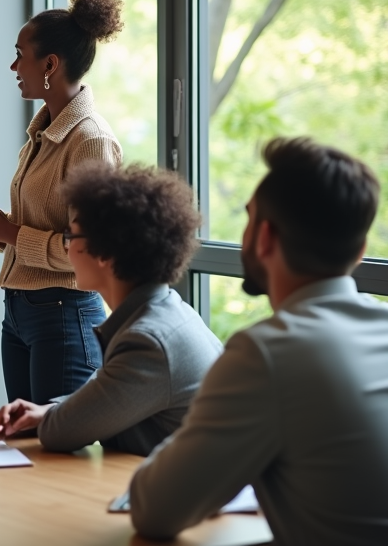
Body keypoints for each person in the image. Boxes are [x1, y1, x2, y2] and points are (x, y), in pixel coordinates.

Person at [130, 138, 388, 546]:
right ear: (359, 252)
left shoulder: (268, 352)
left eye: (248, 219)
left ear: (264, 237)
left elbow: (153, 509)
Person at [0, 0, 123, 403]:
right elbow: (34, 231)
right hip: (21, 314)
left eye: (19, 55)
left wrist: (7, 233)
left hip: (64, 315)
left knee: (54, 459)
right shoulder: (43, 134)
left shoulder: (91, 141)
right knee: (23, 452)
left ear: (49, 64)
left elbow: (93, 249)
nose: (13, 66)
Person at [0, 162, 222, 456]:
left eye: (70, 236)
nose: (68, 249)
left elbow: (61, 432)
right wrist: (47, 410)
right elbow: (100, 397)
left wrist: (49, 417)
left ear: (104, 252)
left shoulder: (147, 340)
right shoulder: (165, 313)